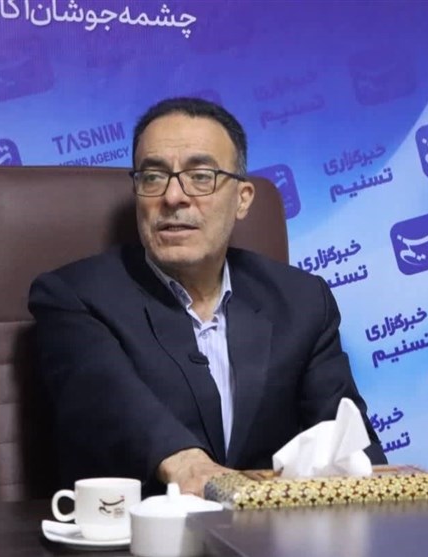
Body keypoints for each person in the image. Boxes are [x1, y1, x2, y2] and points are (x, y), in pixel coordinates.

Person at [28, 97, 386, 496]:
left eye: (201, 176)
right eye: (153, 177)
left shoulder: (302, 301)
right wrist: (190, 467)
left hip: (271, 528)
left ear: (242, 199)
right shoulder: (73, 296)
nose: (173, 197)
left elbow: (347, 444)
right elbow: (108, 397)